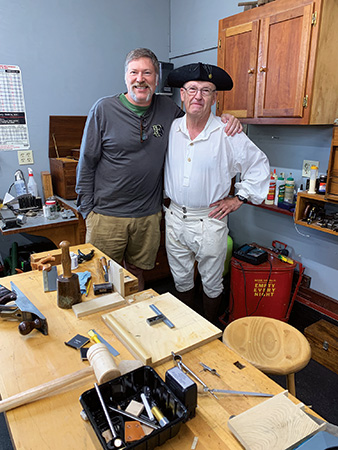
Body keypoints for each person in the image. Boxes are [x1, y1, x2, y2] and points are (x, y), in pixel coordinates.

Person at [76, 48, 242, 290]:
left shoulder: (168, 110)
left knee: (136, 273)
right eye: (134, 72)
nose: (140, 78)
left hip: (148, 215)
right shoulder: (103, 110)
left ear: (156, 79)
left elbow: (197, 119)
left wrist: (225, 118)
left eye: (147, 72)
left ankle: (136, 323)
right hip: (106, 214)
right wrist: (87, 209)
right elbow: (87, 162)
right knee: (102, 277)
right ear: (126, 77)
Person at [164, 62, 270, 323]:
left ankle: (211, 331)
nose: (197, 96)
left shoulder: (228, 132)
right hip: (174, 216)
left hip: (209, 219)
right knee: (181, 278)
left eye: (206, 90)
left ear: (214, 98)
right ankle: (187, 328)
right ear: (182, 94)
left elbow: (259, 165)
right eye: (192, 89)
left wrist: (240, 198)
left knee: (212, 282)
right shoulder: (171, 130)